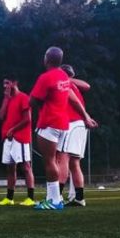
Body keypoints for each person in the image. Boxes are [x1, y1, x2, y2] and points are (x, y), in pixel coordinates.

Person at [29, 47, 96, 210]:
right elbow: (73, 99)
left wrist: (40, 105)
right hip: (63, 123)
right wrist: (86, 116)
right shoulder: (64, 78)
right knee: (64, 161)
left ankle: (54, 200)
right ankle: (58, 198)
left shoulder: (46, 77)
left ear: (46, 59)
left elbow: (33, 100)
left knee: (52, 161)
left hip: (49, 122)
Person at [57, 64, 96, 207]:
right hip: (79, 125)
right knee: (74, 163)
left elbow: (83, 90)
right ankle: (79, 198)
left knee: (63, 159)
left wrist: (65, 79)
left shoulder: (65, 85)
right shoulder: (72, 86)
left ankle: (57, 196)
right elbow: (86, 86)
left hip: (73, 123)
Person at [0, 76, 36, 206]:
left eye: (7, 83)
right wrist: (6, 98)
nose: (5, 86)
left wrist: (13, 129)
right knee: (10, 167)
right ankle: (9, 198)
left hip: (20, 137)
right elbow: (1, 116)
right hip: (8, 138)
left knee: (26, 167)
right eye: (4, 83)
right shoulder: (8, 99)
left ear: (15, 83)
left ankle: (30, 198)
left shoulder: (24, 97)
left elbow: (27, 119)